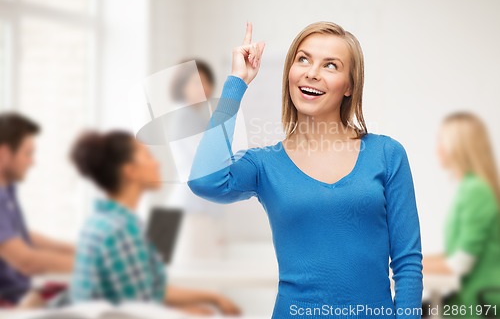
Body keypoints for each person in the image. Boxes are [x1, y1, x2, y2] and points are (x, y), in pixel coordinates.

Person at [187, 21, 423, 318]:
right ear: (290, 72)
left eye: (331, 66)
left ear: (350, 85)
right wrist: (237, 82)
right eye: (303, 59)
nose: (312, 72)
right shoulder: (265, 164)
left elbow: (407, 263)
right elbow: (205, 180)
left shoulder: (387, 154)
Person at [69, 130, 242, 316]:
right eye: (147, 156)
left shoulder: (107, 221)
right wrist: (187, 313)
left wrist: (210, 298)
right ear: (130, 171)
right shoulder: (120, 230)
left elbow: (147, 291)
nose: (157, 163)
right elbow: (137, 308)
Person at [422, 112, 500, 319]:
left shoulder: (476, 191)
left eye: (442, 140)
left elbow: (459, 263)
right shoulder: (469, 188)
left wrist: (404, 267)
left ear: (459, 147)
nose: (437, 148)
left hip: (479, 304)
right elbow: (453, 253)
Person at [0, 112, 74, 307]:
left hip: (21, 295)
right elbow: (26, 262)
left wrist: (77, 249)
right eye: (28, 153)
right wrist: (93, 265)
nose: (32, 162)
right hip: (9, 304)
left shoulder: (7, 190)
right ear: (5, 153)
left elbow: (20, 237)